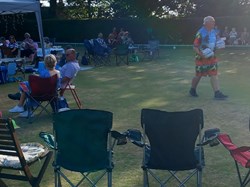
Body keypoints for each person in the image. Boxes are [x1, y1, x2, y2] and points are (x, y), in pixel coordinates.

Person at [189, 16, 228, 100]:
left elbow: (217, 42)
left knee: (213, 74)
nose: (214, 23)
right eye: (212, 22)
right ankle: (192, 90)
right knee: (198, 75)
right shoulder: (200, 32)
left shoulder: (214, 32)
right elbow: (195, 47)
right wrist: (201, 54)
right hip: (201, 57)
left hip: (212, 57)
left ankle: (217, 93)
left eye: (214, 22)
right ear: (206, 23)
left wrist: (220, 44)